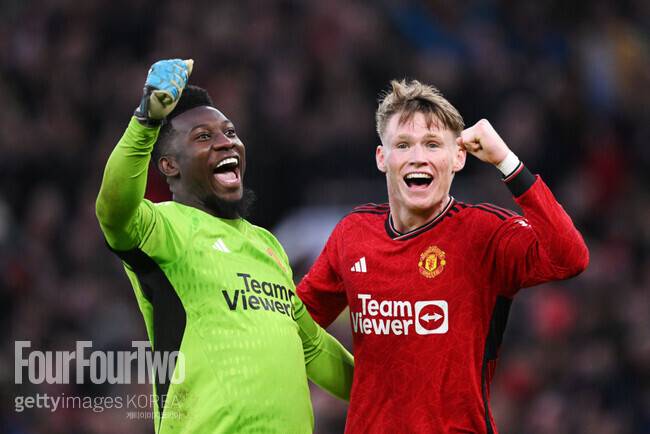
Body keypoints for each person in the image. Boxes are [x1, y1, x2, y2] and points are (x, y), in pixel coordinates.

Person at [296, 79, 589, 433]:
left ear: (458, 157)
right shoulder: (353, 234)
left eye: (433, 144)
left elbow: (570, 258)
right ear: (382, 158)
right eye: (403, 144)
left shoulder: (485, 232)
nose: (418, 157)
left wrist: (506, 161)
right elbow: (295, 326)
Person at [95, 59, 353, 434]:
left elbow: (311, 347)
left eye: (230, 132)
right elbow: (112, 209)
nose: (225, 141)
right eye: (203, 137)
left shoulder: (266, 244)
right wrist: (146, 120)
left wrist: (389, 390)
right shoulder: (163, 227)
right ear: (169, 166)